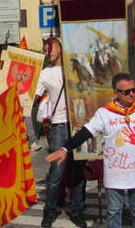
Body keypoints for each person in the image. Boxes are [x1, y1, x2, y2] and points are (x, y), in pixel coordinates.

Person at [46, 73, 135, 228]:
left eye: (132, 90)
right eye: (126, 92)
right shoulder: (105, 113)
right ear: (116, 93)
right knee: (114, 212)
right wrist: (66, 148)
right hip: (115, 174)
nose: (131, 94)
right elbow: (86, 132)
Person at [31, 37, 86, 228]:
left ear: (61, 47)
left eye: (51, 47)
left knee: (79, 171)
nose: (48, 51)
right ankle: (50, 211)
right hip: (60, 125)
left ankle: (78, 210)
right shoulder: (45, 73)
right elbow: (33, 97)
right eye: (45, 49)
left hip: (79, 124)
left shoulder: (76, 66)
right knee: (57, 172)